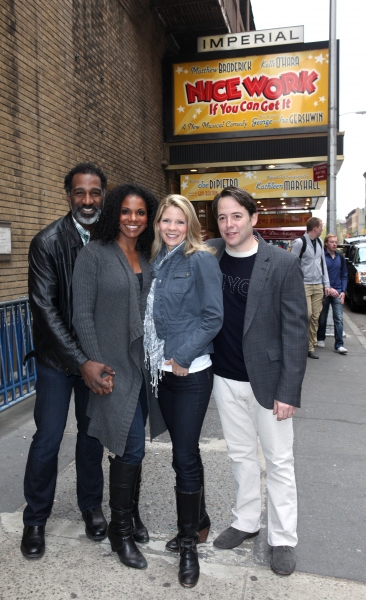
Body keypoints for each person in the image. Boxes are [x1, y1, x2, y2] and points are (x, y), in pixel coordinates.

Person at [208, 186, 308, 576]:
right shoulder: (211, 255)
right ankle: (246, 521)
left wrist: (289, 389)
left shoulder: (280, 263)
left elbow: (296, 331)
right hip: (224, 377)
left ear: (253, 218)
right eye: (222, 217)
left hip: (268, 382)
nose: (229, 224)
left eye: (236, 216)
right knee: (240, 456)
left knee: (280, 461)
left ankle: (283, 537)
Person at [21, 163, 114, 560]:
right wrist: (81, 361)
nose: (88, 201)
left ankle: (91, 507)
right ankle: (36, 519)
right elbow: (45, 309)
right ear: (68, 196)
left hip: (97, 358)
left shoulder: (112, 239)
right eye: (80, 193)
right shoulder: (47, 242)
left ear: (103, 195)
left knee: (92, 439)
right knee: (48, 439)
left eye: (95, 193)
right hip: (57, 362)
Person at [72, 183, 166, 571]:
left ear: (149, 218)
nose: (133, 219)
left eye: (141, 212)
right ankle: (120, 532)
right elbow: (81, 313)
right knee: (130, 448)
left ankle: (130, 514)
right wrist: (92, 362)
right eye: (126, 211)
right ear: (115, 213)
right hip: (112, 366)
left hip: (145, 367)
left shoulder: (149, 254)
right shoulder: (94, 254)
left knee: (134, 446)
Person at [143, 194, 223, 588]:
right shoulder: (158, 263)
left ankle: (189, 543)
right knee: (182, 455)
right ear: (158, 224)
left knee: (185, 456)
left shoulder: (201, 259)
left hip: (189, 373)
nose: (171, 228)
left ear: (189, 223)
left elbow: (213, 317)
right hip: (162, 373)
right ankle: (201, 522)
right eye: (165, 221)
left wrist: (183, 354)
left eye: (179, 221)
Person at [291, 217, 331, 359]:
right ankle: (300, 343)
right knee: (306, 315)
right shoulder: (300, 243)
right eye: (321, 227)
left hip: (318, 284)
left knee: (315, 317)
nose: (322, 229)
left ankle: (310, 346)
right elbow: (292, 265)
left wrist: (326, 284)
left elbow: (323, 265)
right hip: (304, 284)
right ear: (315, 228)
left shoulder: (320, 242)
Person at [317, 234, 348, 354]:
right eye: (331, 242)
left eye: (336, 242)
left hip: (338, 291)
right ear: (326, 243)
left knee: (339, 318)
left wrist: (343, 291)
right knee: (322, 317)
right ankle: (320, 337)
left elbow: (344, 275)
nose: (334, 244)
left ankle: (339, 345)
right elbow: (319, 274)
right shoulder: (322, 257)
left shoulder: (340, 257)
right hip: (325, 292)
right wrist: (326, 287)